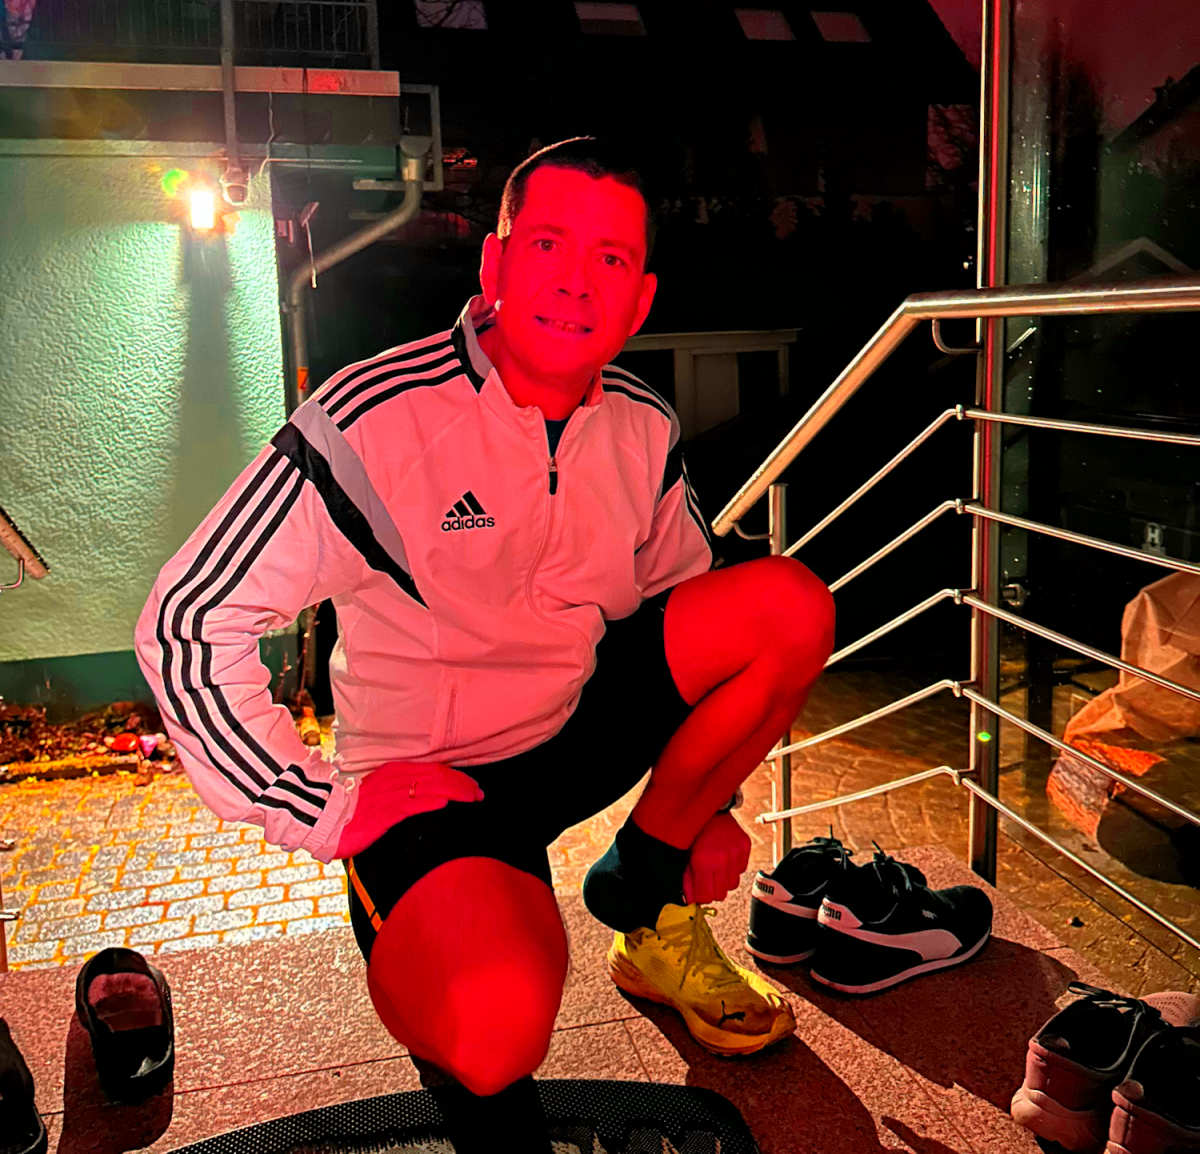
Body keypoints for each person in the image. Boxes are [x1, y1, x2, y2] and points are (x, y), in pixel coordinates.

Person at [135, 137, 835, 1150]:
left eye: (609, 259)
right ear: (495, 263)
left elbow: (686, 602)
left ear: (639, 300)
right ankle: (474, 1034)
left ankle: (642, 872)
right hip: (435, 784)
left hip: (575, 733)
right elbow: (189, 617)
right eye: (548, 244)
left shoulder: (641, 423)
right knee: (497, 1024)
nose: (575, 280)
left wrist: (708, 806)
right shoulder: (377, 415)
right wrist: (318, 803)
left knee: (791, 606)